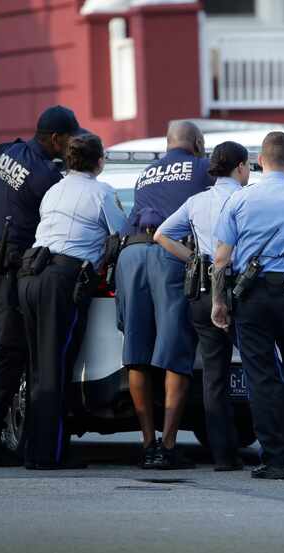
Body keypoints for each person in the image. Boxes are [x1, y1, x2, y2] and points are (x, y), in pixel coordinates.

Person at [0, 105, 82, 467]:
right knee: (6, 355)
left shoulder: (9, 151)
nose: (73, 145)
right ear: (55, 138)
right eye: (71, 138)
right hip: (8, 271)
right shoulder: (45, 178)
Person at [211, 131, 284, 481]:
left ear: (260, 162)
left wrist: (219, 301)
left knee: (261, 379)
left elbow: (221, 259)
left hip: (252, 299)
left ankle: (275, 460)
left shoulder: (238, 201)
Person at [18, 133, 126, 469]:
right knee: (55, 366)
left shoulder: (54, 189)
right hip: (61, 279)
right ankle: (48, 455)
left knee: (37, 367)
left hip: (30, 275)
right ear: (99, 161)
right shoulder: (102, 192)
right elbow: (120, 235)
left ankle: (33, 450)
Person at [115, 120, 212, 469]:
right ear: (198, 143)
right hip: (168, 254)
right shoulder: (202, 167)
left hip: (130, 256)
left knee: (137, 353)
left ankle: (147, 443)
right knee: (174, 351)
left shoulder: (147, 172)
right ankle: (169, 446)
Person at [156, 141, 250, 471]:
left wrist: (195, 259)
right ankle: (281, 449)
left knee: (214, 376)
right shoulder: (245, 198)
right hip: (242, 287)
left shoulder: (196, 201)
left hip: (203, 291)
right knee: (261, 369)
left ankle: (224, 456)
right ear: (240, 167)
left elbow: (161, 235)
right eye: (248, 166)